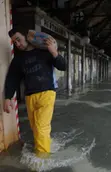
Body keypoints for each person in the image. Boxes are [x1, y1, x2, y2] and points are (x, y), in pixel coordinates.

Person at [3, 27, 67, 158]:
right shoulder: (19, 59)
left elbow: (63, 66)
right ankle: (46, 146)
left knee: (41, 127)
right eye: (15, 42)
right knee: (35, 127)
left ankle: (42, 161)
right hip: (30, 96)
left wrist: (54, 52)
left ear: (27, 37)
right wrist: (8, 97)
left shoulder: (44, 51)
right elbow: (12, 78)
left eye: (18, 40)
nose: (18, 44)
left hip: (47, 93)